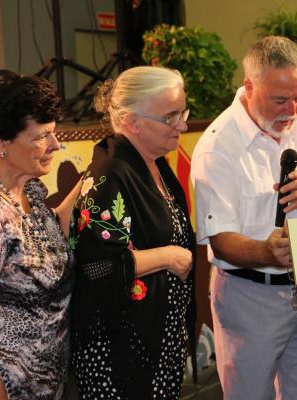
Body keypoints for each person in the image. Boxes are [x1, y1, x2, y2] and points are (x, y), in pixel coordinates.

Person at [191, 36, 297, 400]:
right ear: (248, 87)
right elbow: (220, 240)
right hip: (249, 295)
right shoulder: (219, 145)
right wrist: (266, 252)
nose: (292, 110)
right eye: (280, 99)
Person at [69, 66, 195, 400]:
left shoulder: (156, 164)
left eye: (183, 112)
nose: (182, 124)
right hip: (120, 349)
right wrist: (168, 256)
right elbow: (96, 267)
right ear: (132, 122)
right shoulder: (111, 173)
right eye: (170, 117)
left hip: (156, 340)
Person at [0, 71, 76, 399]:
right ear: (2, 144)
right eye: (42, 137)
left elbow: (42, 242)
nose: (56, 146)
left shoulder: (32, 189)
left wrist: (89, 185)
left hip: (52, 383)